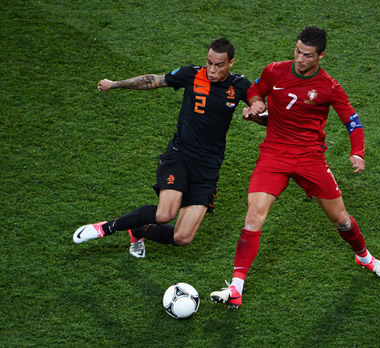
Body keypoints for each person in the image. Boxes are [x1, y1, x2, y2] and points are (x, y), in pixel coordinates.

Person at [210, 26, 380, 309]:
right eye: (297, 51)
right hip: (273, 154)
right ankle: (236, 288)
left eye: (307, 55)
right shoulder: (275, 71)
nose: (299, 59)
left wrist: (357, 152)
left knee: (341, 220)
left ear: (320, 55)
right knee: (253, 218)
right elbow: (255, 92)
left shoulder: (328, 87)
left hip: (310, 158)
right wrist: (255, 104)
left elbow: (352, 122)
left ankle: (364, 257)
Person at [73, 38, 252, 258]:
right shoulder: (192, 74)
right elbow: (153, 81)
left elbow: (263, 109)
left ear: (231, 63)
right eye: (209, 63)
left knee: (183, 237)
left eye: (219, 65)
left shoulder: (240, 85)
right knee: (166, 213)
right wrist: (115, 83)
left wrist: (254, 113)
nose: (212, 70)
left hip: (208, 168)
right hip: (180, 156)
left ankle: (139, 229)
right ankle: (106, 228)